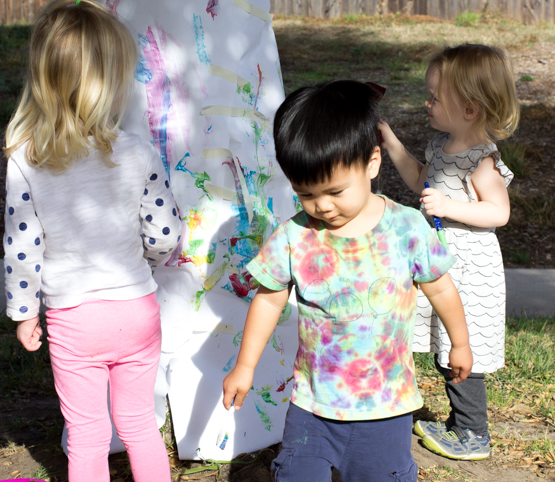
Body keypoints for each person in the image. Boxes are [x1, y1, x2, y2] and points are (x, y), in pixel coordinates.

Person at [222, 80, 473, 482]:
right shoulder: (294, 236)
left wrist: (459, 343)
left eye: (335, 191)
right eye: (305, 194)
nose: (321, 205)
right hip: (313, 406)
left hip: (385, 407)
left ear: (372, 163)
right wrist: (245, 366)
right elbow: (269, 300)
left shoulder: (406, 228)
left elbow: (440, 287)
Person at [3, 0, 182, 482]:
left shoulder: (26, 157)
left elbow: (22, 248)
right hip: (136, 309)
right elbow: (166, 233)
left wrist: (23, 312)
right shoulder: (135, 151)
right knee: (140, 424)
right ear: (111, 81)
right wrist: (148, 256)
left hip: (73, 318)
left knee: (86, 433)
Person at [379, 44, 520, 461]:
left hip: (471, 268)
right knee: (445, 343)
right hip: (441, 265)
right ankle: (459, 425)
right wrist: (391, 144)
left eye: (434, 97)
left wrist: (449, 207)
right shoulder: (441, 145)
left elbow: (499, 212)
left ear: (470, 109)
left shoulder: (481, 160)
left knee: (463, 347)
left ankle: (474, 433)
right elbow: (420, 180)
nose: (427, 102)